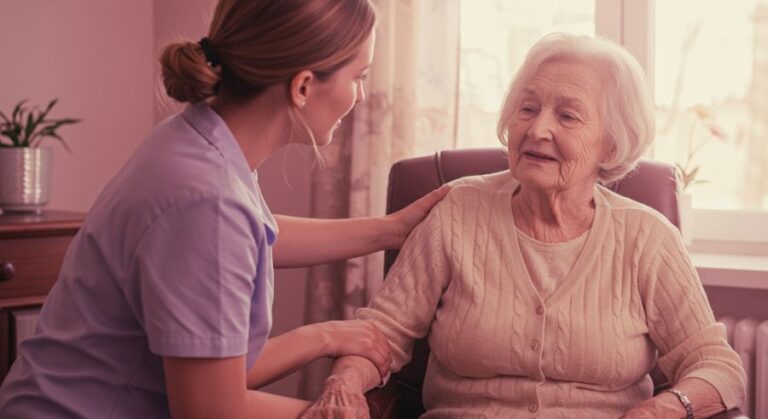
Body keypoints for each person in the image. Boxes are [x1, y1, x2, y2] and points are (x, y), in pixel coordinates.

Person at [0, 1, 449, 418]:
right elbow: (210, 408)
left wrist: (391, 229)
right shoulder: (205, 199)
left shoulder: (200, 142)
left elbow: (256, 234)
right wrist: (329, 350)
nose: (362, 97)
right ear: (304, 87)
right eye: (359, 77)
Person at [304, 33, 747, 418]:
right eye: (527, 108)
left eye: (567, 116)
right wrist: (343, 384)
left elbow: (717, 366)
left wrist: (663, 408)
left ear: (611, 142)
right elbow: (382, 332)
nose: (538, 129)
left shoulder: (646, 238)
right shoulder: (459, 210)